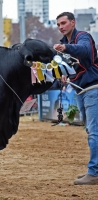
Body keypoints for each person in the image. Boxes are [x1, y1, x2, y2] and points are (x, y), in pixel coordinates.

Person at [54, 12, 98, 185]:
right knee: (91, 131)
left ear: (73, 22)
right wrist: (64, 75)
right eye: (58, 24)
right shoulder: (64, 43)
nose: (60, 27)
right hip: (80, 90)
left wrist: (66, 49)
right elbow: (70, 66)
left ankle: (94, 173)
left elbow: (85, 50)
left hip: (93, 88)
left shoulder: (83, 36)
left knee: (94, 133)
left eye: (63, 23)